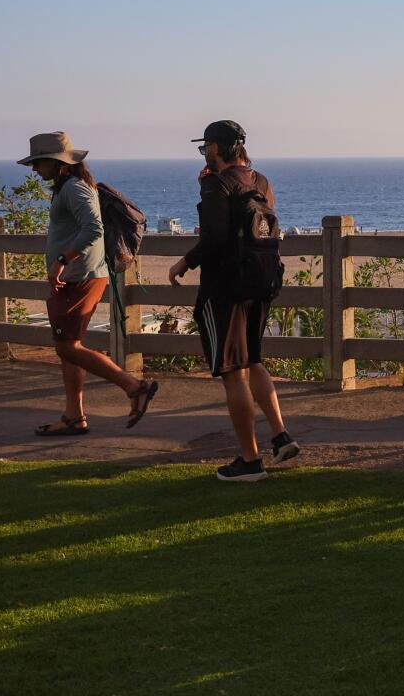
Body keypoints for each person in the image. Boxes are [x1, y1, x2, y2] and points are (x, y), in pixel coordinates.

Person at [165, 120, 299, 481]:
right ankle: (280, 434)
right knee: (253, 360)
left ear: (216, 148)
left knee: (231, 372)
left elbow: (214, 240)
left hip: (225, 289)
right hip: (260, 282)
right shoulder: (261, 183)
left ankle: (250, 461)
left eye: (206, 146)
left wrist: (183, 262)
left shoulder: (216, 185)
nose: (204, 152)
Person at [20, 132, 159, 435]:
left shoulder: (74, 188)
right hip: (75, 276)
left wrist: (61, 259)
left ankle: (135, 387)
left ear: (56, 162)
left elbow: (94, 228)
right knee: (68, 347)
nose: (34, 169)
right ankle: (74, 416)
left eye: (38, 163)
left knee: (67, 347)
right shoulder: (68, 187)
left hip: (80, 276)